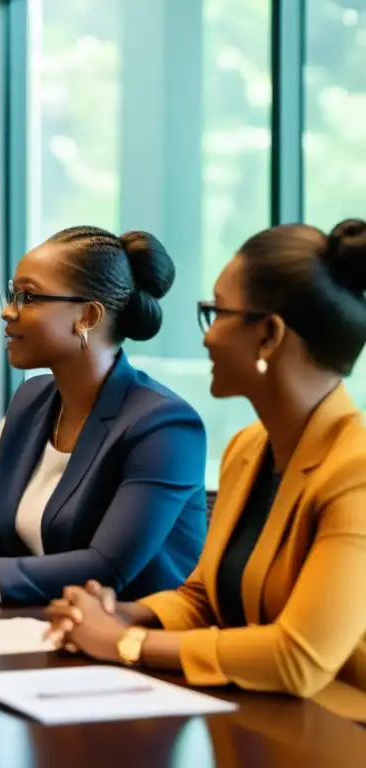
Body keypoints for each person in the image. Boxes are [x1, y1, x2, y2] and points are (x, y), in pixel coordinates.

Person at [46, 220, 366, 720]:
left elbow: (297, 658)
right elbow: (205, 598)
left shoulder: (357, 472)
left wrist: (126, 643)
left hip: (337, 731)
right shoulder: (248, 448)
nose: (208, 336)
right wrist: (122, 613)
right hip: (257, 718)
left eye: (215, 312)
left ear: (268, 335)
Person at [0, 226, 207, 604]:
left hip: (130, 641)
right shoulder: (31, 399)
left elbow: (106, 568)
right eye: (12, 294)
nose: (7, 310)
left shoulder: (164, 426)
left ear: (87, 316)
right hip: (39, 625)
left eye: (28, 297)